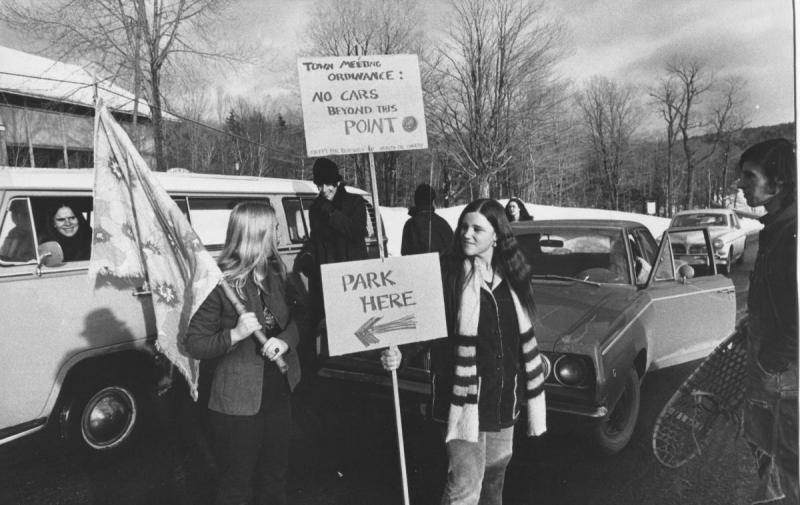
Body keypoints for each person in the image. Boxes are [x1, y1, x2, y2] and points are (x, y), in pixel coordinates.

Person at [383, 198, 546, 505]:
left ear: (497, 235)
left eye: (477, 229)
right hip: (463, 399)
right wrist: (401, 353)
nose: (466, 234)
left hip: (503, 398)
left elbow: (518, 339)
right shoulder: (449, 276)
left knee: (493, 482)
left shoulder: (513, 277)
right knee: (465, 486)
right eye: (464, 227)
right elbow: (424, 324)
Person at [184, 201, 302, 505]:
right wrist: (234, 334)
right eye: (274, 228)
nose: (278, 233)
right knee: (236, 485)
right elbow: (194, 343)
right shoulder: (219, 282)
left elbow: (301, 318)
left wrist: (286, 341)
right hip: (237, 403)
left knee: (275, 476)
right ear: (257, 234)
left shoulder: (276, 272)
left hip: (279, 393)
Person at [736, 138, 798, 504]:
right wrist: (755, 321)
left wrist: (774, 357)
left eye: (749, 176)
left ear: (778, 182)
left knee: (784, 472)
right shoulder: (777, 228)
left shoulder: (793, 237)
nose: (742, 185)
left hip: (783, 378)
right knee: (768, 457)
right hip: (774, 372)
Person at [293, 157, 368, 320]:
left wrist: (330, 212)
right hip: (327, 279)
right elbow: (315, 239)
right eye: (319, 185)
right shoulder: (315, 208)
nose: (323, 190)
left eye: (327, 184)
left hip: (353, 277)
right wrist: (307, 255)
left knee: (355, 322)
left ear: (337, 182)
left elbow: (356, 232)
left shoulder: (355, 203)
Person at [401, 183, 453, 256]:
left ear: (416, 202)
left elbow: (405, 254)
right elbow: (453, 251)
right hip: (441, 266)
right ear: (432, 202)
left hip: (419, 266)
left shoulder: (410, 225)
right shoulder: (443, 224)